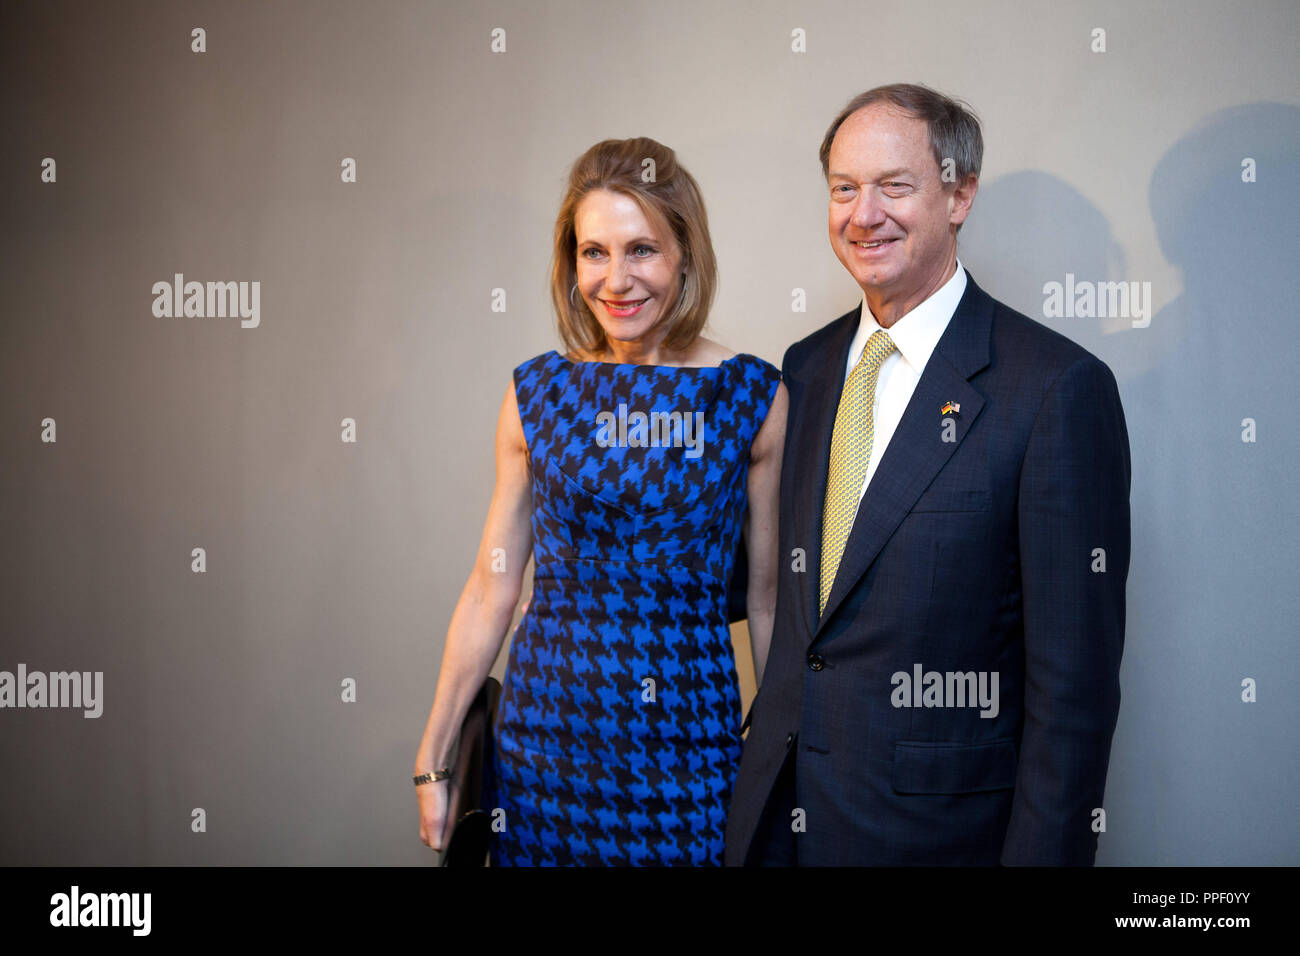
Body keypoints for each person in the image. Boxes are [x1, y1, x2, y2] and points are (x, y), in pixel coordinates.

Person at [724, 84, 1130, 866]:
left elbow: (1072, 695)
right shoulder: (803, 371)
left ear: (960, 194)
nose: (862, 214)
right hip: (780, 823)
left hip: (936, 841)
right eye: (844, 188)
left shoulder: (1053, 390)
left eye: (894, 186)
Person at [413, 136, 787, 865]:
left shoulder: (751, 396)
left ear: (685, 254)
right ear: (571, 261)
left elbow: (769, 600)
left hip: (693, 756)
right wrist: (434, 756)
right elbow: (493, 585)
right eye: (594, 252)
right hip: (546, 751)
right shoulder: (537, 394)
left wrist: (776, 758)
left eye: (641, 249)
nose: (616, 279)